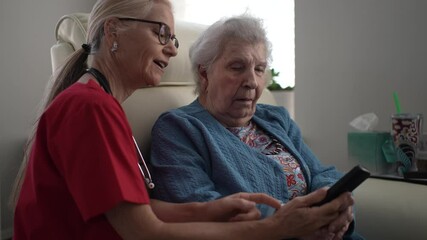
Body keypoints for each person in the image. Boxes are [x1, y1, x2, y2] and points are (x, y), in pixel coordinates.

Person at [11, 0, 354, 239]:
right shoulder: (90, 108)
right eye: (161, 33)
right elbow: (143, 231)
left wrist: (213, 209)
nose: (173, 50)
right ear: (113, 31)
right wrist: (280, 227)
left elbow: (138, 210)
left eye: (173, 38)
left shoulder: (102, 105)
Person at [149, 14, 362, 240]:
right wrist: (296, 223)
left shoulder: (276, 118)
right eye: (237, 67)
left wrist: (334, 207)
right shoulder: (179, 128)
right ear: (204, 73)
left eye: (259, 69)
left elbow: (322, 173)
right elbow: (198, 205)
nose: (252, 81)